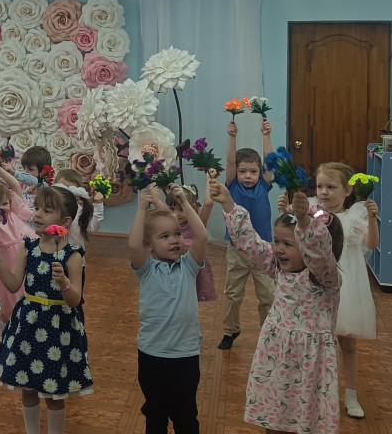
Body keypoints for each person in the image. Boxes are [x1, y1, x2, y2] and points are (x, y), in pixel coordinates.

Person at [213, 177, 344, 434]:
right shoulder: (278, 269)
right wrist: (228, 203)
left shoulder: (326, 278)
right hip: (276, 357)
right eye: (277, 241)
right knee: (272, 417)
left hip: (309, 365)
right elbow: (251, 243)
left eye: (288, 244)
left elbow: (319, 255)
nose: (278, 249)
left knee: (305, 420)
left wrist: (305, 223)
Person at [0, 184, 94, 434]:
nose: (36, 214)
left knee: (54, 392)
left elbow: (75, 300)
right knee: (28, 388)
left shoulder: (72, 256)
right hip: (28, 324)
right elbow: (14, 284)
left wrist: (64, 284)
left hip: (58, 330)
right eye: (36, 208)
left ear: (65, 221)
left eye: (47, 211)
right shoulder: (28, 247)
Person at [129, 182, 207, 434]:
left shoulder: (189, 266)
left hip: (185, 356)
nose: (174, 240)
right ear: (148, 244)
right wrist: (141, 209)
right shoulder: (146, 270)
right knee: (155, 414)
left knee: (186, 416)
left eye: (177, 234)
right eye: (164, 236)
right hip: (151, 355)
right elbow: (133, 246)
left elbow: (202, 236)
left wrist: (184, 203)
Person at [314, 162, 378, 419]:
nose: (324, 192)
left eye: (331, 187)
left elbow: (371, 243)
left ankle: (351, 394)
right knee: (317, 343)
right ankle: (319, 393)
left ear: (347, 190)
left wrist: (372, 218)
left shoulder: (355, 216)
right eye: (320, 186)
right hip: (318, 286)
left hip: (347, 286)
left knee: (347, 343)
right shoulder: (314, 213)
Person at [219, 118, 276, 350]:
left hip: (263, 250)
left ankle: (269, 334)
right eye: (243, 171)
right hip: (237, 250)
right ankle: (230, 330)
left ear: (260, 172)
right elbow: (230, 161)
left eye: (253, 171)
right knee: (233, 294)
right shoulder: (232, 185)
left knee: (268, 296)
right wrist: (232, 137)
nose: (248, 176)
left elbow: (270, 162)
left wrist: (266, 135)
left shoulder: (264, 185)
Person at [0, 158, 37, 324]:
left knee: (25, 295)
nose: (2, 208)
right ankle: (6, 331)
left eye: (5, 203)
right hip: (5, 265)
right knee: (6, 303)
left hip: (24, 260)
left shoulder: (14, 212)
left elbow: (14, 184)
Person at [50, 169, 100, 251]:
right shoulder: (50, 209)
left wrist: (98, 205)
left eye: (69, 189)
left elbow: (93, 227)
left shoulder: (81, 211)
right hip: (53, 252)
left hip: (75, 254)